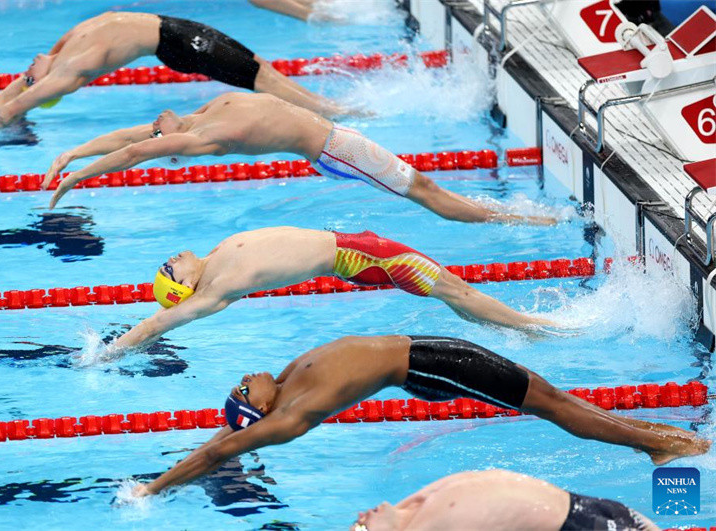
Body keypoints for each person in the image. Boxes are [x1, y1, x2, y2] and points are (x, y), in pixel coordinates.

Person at [131, 335, 709, 496]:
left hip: (430, 355)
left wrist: (228, 428)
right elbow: (217, 452)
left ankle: (662, 436)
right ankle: (658, 446)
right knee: (554, 407)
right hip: (436, 366)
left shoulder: (283, 382)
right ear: (258, 411)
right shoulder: (290, 413)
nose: (242, 378)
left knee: (555, 400)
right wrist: (153, 489)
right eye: (241, 390)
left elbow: (223, 438)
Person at [43, 92, 556, 226]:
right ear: (169, 145)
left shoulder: (196, 116)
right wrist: (77, 180)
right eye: (161, 130)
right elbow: (136, 149)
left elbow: (135, 134)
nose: (158, 118)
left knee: (427, 188)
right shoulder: (201, 137)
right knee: (427, 192)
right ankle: (518, 218)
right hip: (336, 150)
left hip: (339, 137)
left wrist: (74, 151)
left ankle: (513, 214)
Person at [107, 227, 560, 353]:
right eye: (169, 269)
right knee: (457, 291)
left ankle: (514, 330)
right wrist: (106, 352)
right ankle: (541, 327)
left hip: (357, 251)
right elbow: (158, 323)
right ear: (183, 286)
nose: (169, 259)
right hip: (364, 255)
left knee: (453, 294)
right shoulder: (216, 288)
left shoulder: (217, 254)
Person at [0, 12, 343, 136]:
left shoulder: (67, 58)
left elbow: (16, 97)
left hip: (181, 33)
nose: (28, 71)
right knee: (263, 79)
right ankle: (334, 111)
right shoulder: (67, 59)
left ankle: (333, 109)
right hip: (178, 39)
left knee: (264, 73)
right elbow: (19, 95)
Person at [349, 469, 660, 531]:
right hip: (581, 526)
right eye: (360, 528)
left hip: (590, 505)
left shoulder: (414, 505)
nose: (361, 516)